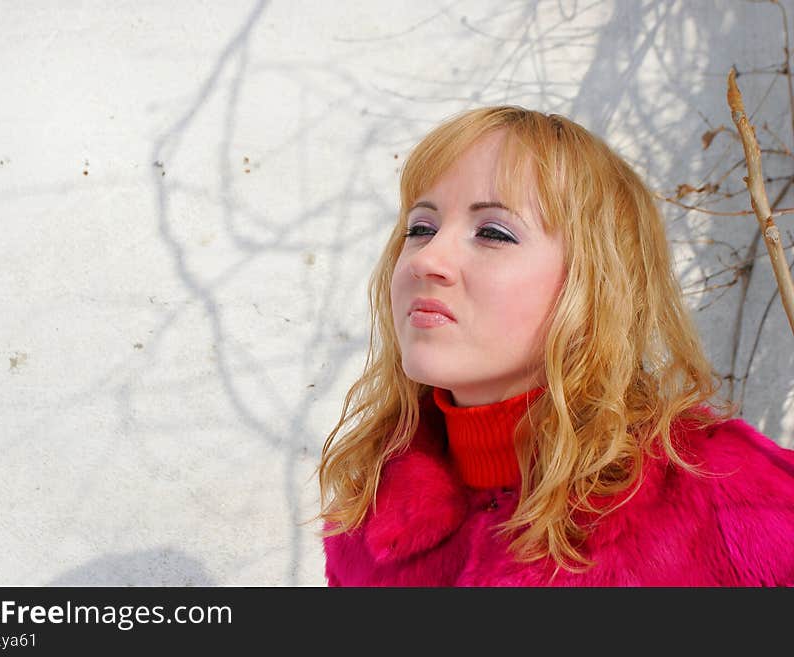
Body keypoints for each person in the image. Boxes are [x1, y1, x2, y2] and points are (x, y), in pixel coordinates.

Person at [315, 105, 794, 586]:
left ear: (595, 285)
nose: (428, 259)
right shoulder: (367, 531)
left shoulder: (731, 496)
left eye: (493, 233)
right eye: (421, 228)